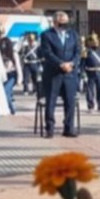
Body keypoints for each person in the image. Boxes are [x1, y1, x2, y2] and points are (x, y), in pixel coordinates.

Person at [39, 11, 80, 139]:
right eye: (62, 22)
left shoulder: (73, 34)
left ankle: (69, 128)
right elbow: (47, 53)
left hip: (70, 74)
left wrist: (72, 64)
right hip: (53, 73)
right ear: (55, 22)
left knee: (70, 101)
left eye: (66, 22)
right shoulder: (47, 35)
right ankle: (50, 128)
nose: (65, 25)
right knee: (51, 101)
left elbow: (78, 52)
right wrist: (61, 64)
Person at [81, 35, 100, 114]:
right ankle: (91, 106)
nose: (95, 43)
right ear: (90, 43)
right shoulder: (86, 52)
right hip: (90, 72)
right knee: (90, 90)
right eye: (93, 42)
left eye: (96, 42)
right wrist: (83, 75)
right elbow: (82, 64)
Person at [0, 26, 20, 114]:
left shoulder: (13, 53)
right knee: (8, 93)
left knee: (6, 91)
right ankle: (12, 108)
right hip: (2, 74)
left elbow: (17, 66)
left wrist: (19, 79)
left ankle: (11, 109)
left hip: (11, 74)